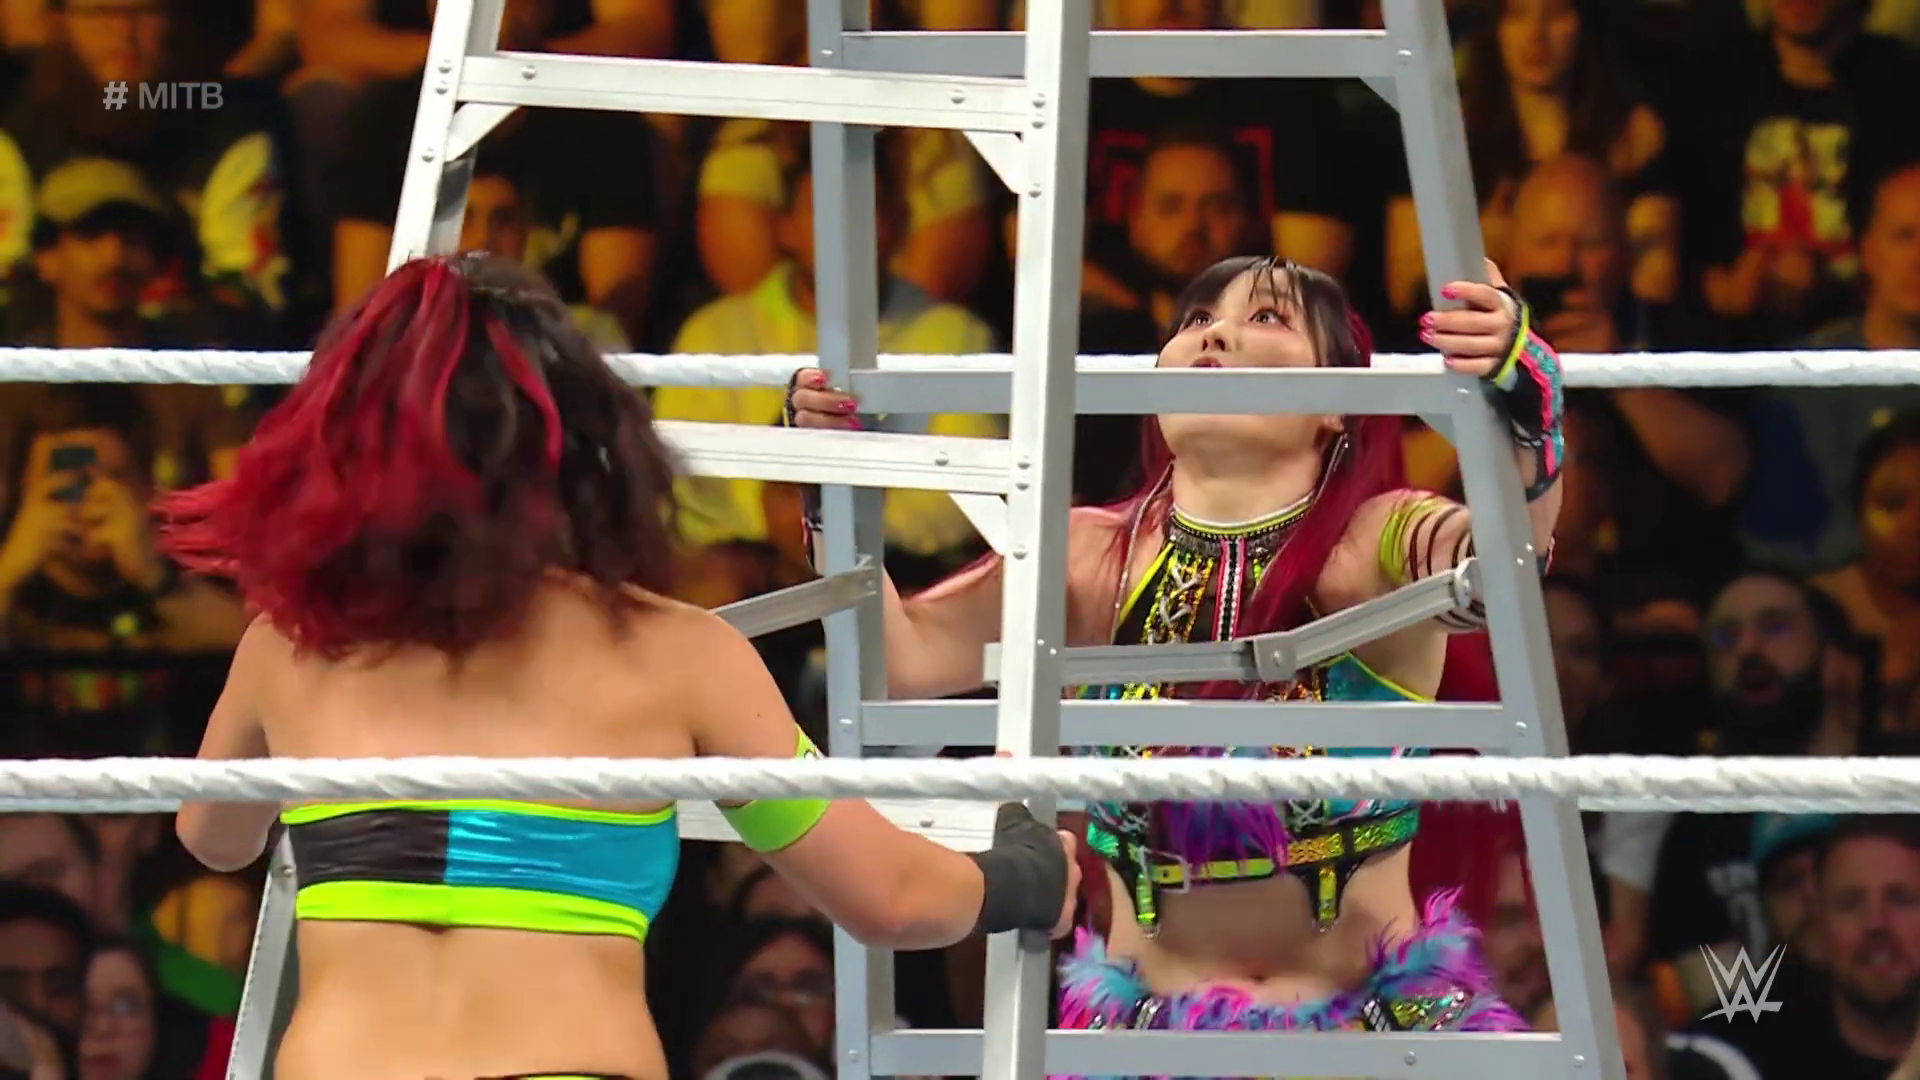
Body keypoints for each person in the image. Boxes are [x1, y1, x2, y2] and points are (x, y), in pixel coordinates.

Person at [156, 252, 1080, 1080]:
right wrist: (1025, 874)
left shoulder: (291, 646)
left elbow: (213, 836)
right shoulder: (675, 656)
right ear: (577, 442)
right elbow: (891, 899)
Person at [787, 253, 1565, 1038]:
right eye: (1196, 319)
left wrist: (1527, 414)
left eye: (1266, 317)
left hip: (1370, 1044)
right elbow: (898, 661)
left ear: (1339, 402)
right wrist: (831, 487)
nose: (1215, 335)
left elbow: (1505, 572)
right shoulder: (1090, 557)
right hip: (1143, 1044)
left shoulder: (1379, 539)